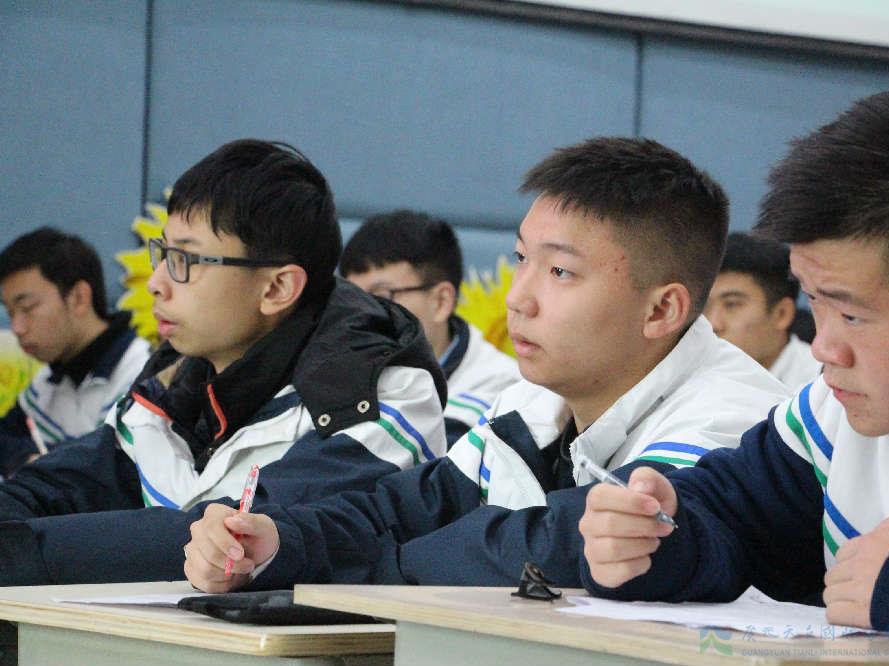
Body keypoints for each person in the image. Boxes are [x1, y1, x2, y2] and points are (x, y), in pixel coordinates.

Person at [183, 136, 790, 592]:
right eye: (522, 259)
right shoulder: (530, 401)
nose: (518, 298)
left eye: (560, 271)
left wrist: (363, 570)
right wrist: (275, 542)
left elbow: (559, 544)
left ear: (661, 309)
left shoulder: (735, 418)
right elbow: (403, 508)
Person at [578, 73, 889, 649]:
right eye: (813, 301)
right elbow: (734, 516)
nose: (823, 347)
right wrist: (660, 538)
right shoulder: (833, 413)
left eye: (851, 314)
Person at [0, 139, 447, 585]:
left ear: (276, 288)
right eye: (162, 253)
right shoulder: (171, 381)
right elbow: (52, 488)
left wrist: (18, 552)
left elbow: (229, 543)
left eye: (185, 260)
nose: (156, 282)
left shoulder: (380, 397)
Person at [340, 210, 521, 444]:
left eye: (381, 297)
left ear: (441, 302)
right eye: (352, 298)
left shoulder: (501, 390)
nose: (361, 316)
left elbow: (414, 459)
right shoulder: (338, 365)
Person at [0, 228, 150, 476]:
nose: (17, 327)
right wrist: (29, 460)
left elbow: (105, 472)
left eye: (27, 308)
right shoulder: (48, 380)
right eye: (10, 312)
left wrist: (42, 467)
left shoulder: (142, 375)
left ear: (79, 297)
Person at [704, 232, 820, 389]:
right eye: (704, 306)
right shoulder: (693, 378)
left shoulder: (823, 385)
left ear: (782, 314)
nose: (712, 324)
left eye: (731, 304)